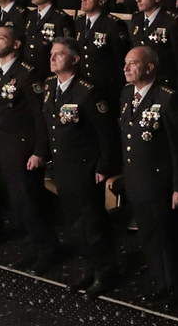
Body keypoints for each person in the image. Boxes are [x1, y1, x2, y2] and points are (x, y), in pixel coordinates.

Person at [38, 37, 119, 298]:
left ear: (75, 60)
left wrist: (104, 166)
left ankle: (105, 272)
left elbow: (106, 133)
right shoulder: (51, 85)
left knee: (92, 224)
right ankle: (89, 267)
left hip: (85, 168)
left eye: (59, 54)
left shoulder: (88, 91)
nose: (52, 58)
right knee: (75, 224)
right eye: (51, 54)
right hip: (62, 166)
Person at [111, 46, 178, 303]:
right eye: (125, 63)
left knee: (167, 237)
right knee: (148, 236)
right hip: (137, 180)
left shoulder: (167, 98)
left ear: (150, 67)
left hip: (160, 182)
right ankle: (159, 281)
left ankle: (176, 285)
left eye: (132, 63)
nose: (125, 69)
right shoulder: (126, 94)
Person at [0, 24, 61, 272]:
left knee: (31, 203)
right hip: (7, 148)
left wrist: (40, 152)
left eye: (1, 38)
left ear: (16, 44)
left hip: (25, 150)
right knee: (19, 205)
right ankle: (34, 247)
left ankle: (48, 250)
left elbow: (40, 117)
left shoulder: (27, 73)